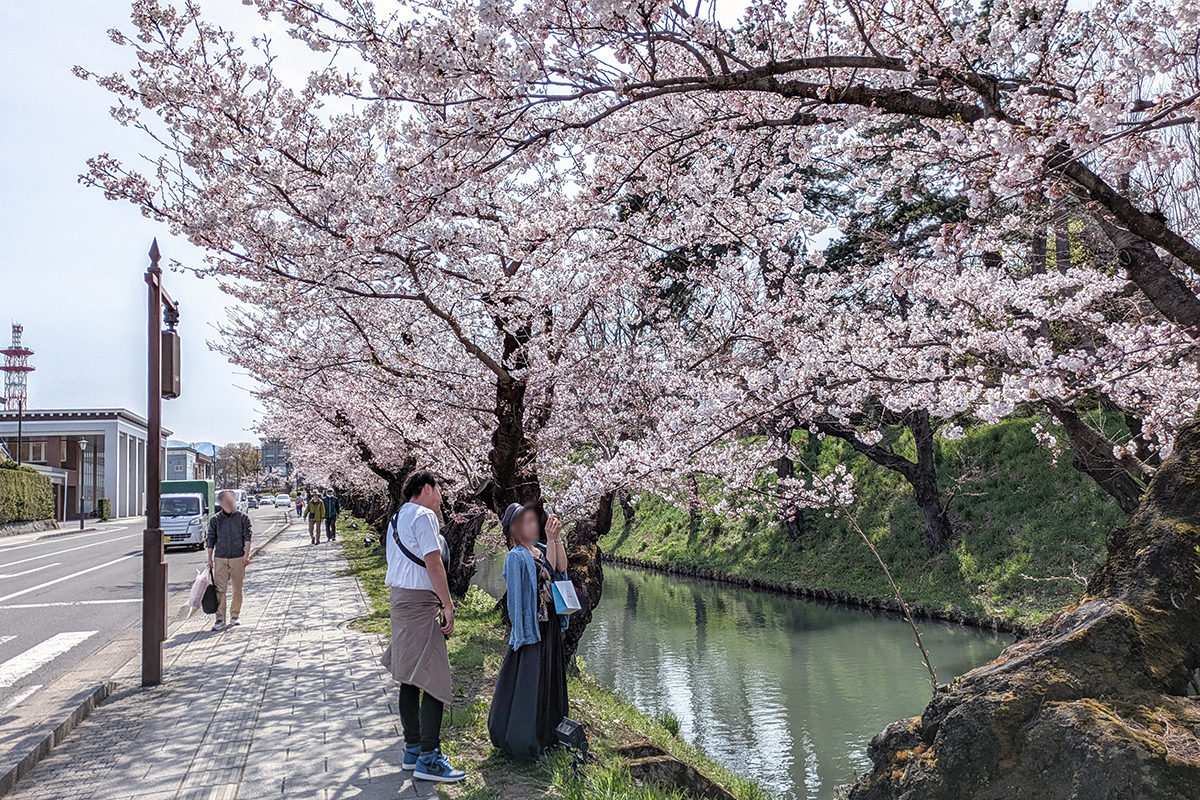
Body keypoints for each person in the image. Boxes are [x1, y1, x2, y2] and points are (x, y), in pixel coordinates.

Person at [379, 471, 466, 783]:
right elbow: (433, 562)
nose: (442, 498)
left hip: (400, 602)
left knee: (409, 677)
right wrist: (447, 603)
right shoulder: (424, 515)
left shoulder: (395, 518)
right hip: (420, 604)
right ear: (426, 488)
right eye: (440, 490)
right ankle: (429, 758)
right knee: (433, 679)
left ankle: (412, 750)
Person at [487, 502, 570, 761]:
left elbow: (558, 568)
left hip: (550, 624)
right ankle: (523, 738)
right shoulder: (515, 556)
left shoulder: (541, 549)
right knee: (528, 680)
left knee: (549, 677)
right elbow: (520, 595)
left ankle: (548, 735)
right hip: (532, 625)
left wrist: (555, 540)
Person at [206, 490, 253, 632]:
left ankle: (235, 615)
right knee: (220, 589)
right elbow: (211, 538)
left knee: (237, 588)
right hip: (220, 556)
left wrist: (246, 554)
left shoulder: (242, 518)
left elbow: (248, 536)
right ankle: (220, 619)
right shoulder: (215, 520)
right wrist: (209, 558)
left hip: (237, 556)